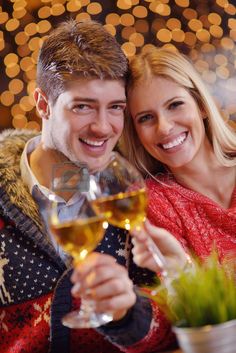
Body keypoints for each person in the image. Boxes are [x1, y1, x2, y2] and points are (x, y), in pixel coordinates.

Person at [0, 20, 186, 353]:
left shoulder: (130, 199)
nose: (103, 128)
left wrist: (127, 314)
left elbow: (172, 333)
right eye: (82, 106)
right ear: (43, 104)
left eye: (115, 107)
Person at [121, 46, 236, 339]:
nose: (165, 128)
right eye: (146, 118)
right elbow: (195, 313)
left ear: (199, 103)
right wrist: (178, 265)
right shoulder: (153, 202)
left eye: (175, 105)